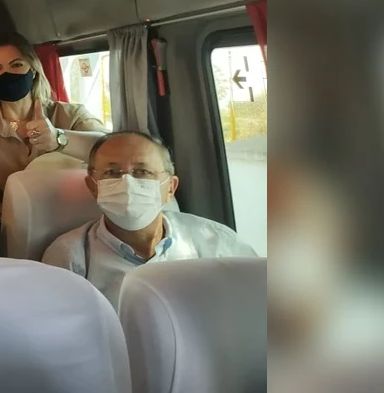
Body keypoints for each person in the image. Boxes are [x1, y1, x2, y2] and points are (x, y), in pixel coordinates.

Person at [42, 131, 257, 309]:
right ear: (92, 187)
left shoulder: (215, 241)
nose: (127, 182)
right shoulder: (69, 258)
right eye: (112, 172)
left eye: (142, 171)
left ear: (170, 188)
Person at [0, 32, 107, 196]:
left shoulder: (71, 115)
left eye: (16, 65)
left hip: (68, 205)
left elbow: (111, 148)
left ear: (33, 70)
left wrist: (59, 138)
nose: (6, 74)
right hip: (6, 211)